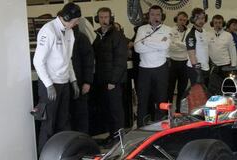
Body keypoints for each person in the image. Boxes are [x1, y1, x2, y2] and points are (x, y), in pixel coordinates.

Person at [33, 3, 81, 154]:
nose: (77, 23)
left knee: (63, 123)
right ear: (66, 17)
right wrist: (48, 84)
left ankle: (61, 156)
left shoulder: (69, 32)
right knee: (48, 125)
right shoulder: (48, 31)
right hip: (51, 85)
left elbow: (68, 59)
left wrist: (73, 80)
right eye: (75, 20)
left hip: (64, 83)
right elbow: (38, 61)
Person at [93, 7, 128, 147]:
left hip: (113, 81)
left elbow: (120, 60)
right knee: (107, 110)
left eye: (106, 17)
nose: (103, 20)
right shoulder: (98, 35)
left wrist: (113, 80)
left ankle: (119, 139)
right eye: (101, 17)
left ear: (111, 18)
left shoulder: (117, 35)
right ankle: (111, 135)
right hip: (102, 79)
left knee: (116, 111)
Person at [134, 5, 171, 127]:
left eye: (158, 14)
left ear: (162, 16)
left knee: (161, 100)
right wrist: (157, 42)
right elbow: (137, 47)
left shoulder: (168, 29)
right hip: (144, 69)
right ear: (148, 16)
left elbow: (165, 46)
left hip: (161, 68)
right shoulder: (141, 29)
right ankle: (141, 127)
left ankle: (161, 127)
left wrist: (145, 41)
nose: (155, 17)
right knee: (143, 100)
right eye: (152, 14)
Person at [70, 26, 94, 134]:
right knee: (69, 115)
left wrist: (87, 81)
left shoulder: (81, 38)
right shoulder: (62, 36)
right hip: (67, 82)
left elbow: (88, 61)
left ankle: (82, 140)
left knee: (81, 114)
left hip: (80, 81)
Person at [208, 15, 237, 95]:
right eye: (216, 23)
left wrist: (233, 67)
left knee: (227, 88)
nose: (218, 25)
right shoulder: (207, 35)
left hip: (226, 66)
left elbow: (233, 51)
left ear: (223, 23)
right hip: (213, 67)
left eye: (220, 22)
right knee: (214, 88)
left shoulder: (228, 35)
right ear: (212, 23)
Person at [168, 11, 189, 112]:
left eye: (184, 20)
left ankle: (178, 110)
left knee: (182, 89)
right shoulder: (171, 30)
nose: (182, 22)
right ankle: (168, 110)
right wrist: (182, 45)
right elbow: (170, 46)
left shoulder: (189, 32)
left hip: (185, 63)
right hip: (172, 62)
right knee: (170, 88)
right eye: (180, 19)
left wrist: (176, 43)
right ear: (176, 19)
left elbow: (188, 46)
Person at [185, 8, 210, 86]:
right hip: (195, 70)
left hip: (205, 67)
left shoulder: (204, 32)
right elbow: (192, 55)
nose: (201, 21)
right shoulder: (191, 35)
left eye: (202, 18)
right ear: (193, 19)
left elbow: (205, 50)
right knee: (198, 95)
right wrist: (198, 72)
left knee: (205, 94)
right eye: (198, 18)